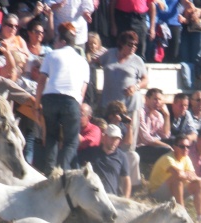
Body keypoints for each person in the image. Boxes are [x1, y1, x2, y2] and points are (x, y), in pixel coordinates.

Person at [35, 21, 89, 173]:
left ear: (62, 41)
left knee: (51, 137)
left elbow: (41, 81)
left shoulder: (52, 54)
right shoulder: (83, 62)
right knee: (70, 142)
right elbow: (82, 92)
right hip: (71, 100)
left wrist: (36, 105)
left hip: (50, 98)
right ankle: (62, 171)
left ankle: (50, 171)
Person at [96, 29, 147, 132]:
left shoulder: (137, 60)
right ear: (122, 43)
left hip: (129, 106)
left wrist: (136, 87)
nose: (133, 47)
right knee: (109, 134)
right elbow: (96, 62)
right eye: (130, 44)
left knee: (128, 137)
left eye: (135, 45)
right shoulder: (110, 54)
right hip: (109, 105)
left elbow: (146, 80)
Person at [147, 133, 201, 221]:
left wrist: (186, 175)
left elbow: (193, 176)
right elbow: (178, 174)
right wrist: (186, 174)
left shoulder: (186, 158)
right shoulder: (167, 158)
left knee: (199, 183)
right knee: (177, 179)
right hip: (157, 194)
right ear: (174, 147)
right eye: (182, 146)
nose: (185, 149)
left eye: (188, 147)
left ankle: (200, 217)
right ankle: (182, 212)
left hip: (174, 191)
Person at [79, 123, 132, 196]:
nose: (114, 142)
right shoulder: (91, 152)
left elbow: (126, 179)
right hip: (93, 196)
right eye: (112, 138)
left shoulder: (122, 156)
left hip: (112, 197)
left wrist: (126, 198)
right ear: (104, 137)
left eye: (117, 139)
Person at [136, 87, 171, 164]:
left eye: (160, 100)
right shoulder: (140, 113)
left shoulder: (158, 115)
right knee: (168, 150)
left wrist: (167, 115)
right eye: (155, 99)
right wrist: (166, 146)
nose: (157, 102)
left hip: (154, 144)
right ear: (147, 99)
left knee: (176, 142)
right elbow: (146, 139)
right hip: (141, 147)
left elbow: (165, 135)